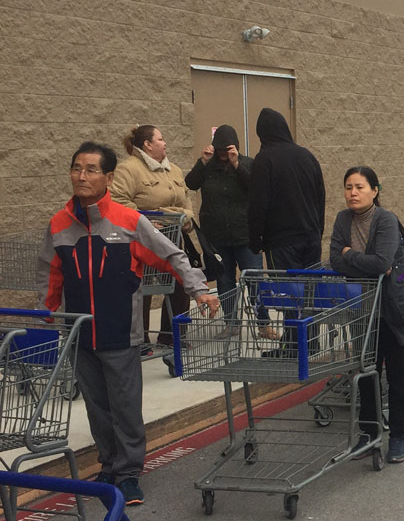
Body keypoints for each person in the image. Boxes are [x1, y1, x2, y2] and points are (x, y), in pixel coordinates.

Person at [37, 142, 219, 505]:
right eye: (76, 168)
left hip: (121, 331)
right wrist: (49, 312)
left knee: (124, 406)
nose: (81, 176)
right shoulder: (59, 224)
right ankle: (109, 464)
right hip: (78, 333)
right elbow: (49, 272)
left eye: (91, 170)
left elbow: (172, 254)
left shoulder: (129, 222)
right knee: (97, 406)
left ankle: (130, 471)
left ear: (108, 177)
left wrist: (199, 289)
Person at [329, 167, 404, 464]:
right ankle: (368, 432)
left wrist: (351, 255)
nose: (353, 192)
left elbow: (382, 263)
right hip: (362, 308)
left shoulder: (385, 219)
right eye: (348, 186)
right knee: (365, 372)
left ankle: (398, 436)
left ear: (375, 190)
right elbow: (334, 261)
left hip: (392, 309)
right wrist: (356, 259)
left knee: (398, 375)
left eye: (360, 187)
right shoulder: (342, 219)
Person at [185, 125, 275, 336]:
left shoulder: (248, 164)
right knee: (225, 281)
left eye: (227, 150)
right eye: (220, 151)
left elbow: (255, 188)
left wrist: (236, 164)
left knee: (254, 280)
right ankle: (232, 323)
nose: (223, 155)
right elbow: (190, 183)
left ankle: (264, 323)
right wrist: (203, 162)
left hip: (245, 235)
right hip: (216, 236)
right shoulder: (208, 167)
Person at [111, 125, 193, 350]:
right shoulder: (128, 169)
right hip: (142, 239)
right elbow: (117, 200)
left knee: (180, 284)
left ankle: (173, 336)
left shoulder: (173, 170)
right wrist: (144, 221)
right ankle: (141, 341)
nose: (165, 143)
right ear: (147, 144)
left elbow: (186, 200)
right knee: (141, 289)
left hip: (172, 236)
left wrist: (184, 218)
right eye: (160, 139)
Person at [248, 108, 325, 268]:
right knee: (311, 290)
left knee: (286, 291)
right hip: (311, 238)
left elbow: (258, 204)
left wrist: (255, 240)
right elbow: (320, 198)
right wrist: (318, 231)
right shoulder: (307, 156)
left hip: (281, 242)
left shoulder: (264, 160)